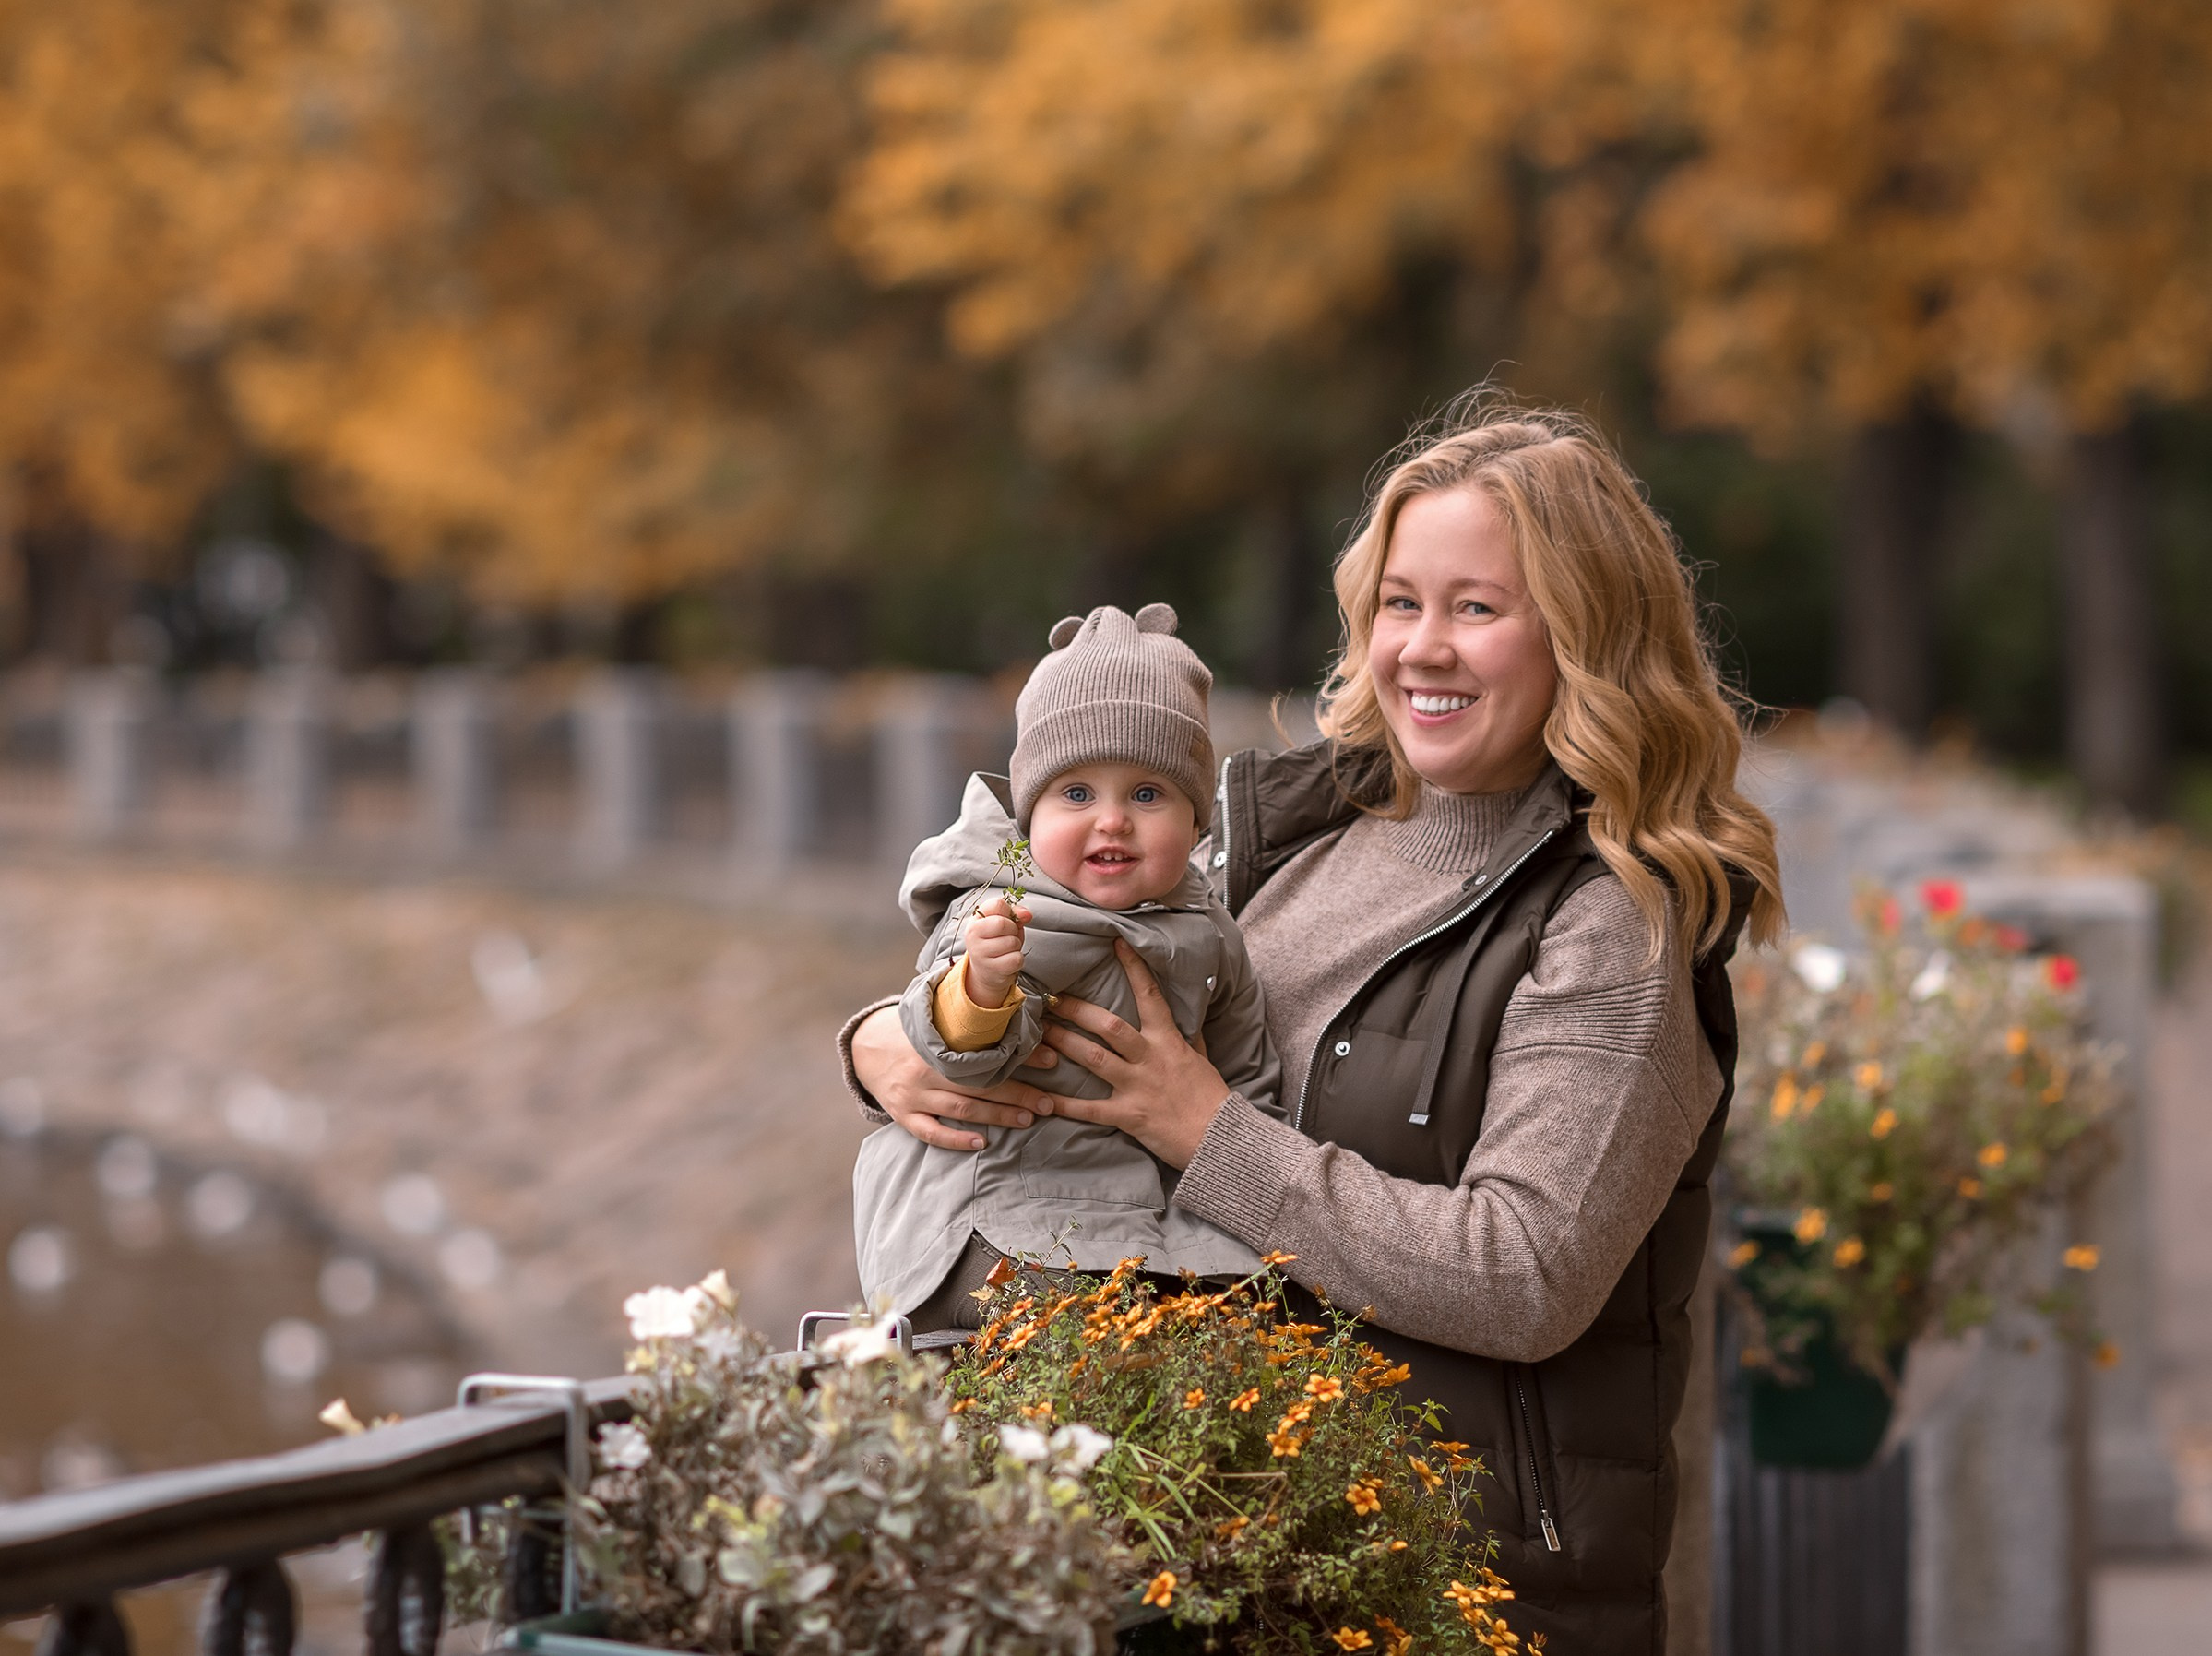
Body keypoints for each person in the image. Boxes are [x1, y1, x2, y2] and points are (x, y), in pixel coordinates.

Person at [838, 401, 1784, 1653]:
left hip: (1459, 1589)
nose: (1423, 648)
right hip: (1231, 1560)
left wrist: (1207, 1134)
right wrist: (881, 1044)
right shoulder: (1279, 835)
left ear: (1585, 633)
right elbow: (1063, 944)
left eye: (1476, 607)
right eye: (1399, 603)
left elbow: (1526, 1273)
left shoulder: (1617, 922)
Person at [852, 602, 1282, 1331]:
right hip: (995, 1204)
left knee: (1229, 1318)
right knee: (1082, 1328)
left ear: (1195, 821)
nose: (1112, 819)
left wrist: (1251, 1190)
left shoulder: (1213, 933)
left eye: (1147, 794)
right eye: (1076, 793)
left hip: (1129, 1219)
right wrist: (983, 987)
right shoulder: (1011, 906)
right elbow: (952, 1048)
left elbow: (1247, 1070)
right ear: (1030, 816)